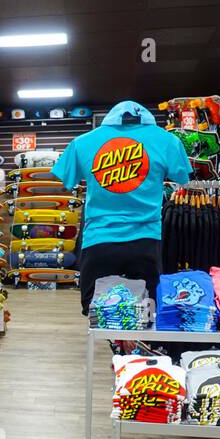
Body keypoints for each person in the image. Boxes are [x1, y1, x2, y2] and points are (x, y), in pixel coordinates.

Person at [51, 100, 192, 315]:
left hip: (100, 240)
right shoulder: (168, 142)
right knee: (148, 310)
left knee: (97, 313)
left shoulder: (82, 143)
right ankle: (140, 347)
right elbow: (182, 176)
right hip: (146, 241)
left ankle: (117, 344)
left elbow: (66, 179)